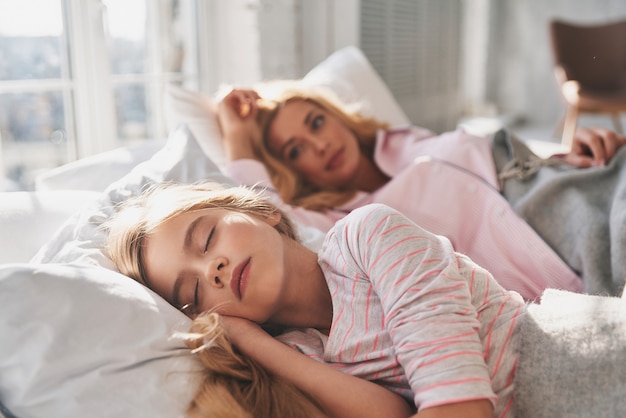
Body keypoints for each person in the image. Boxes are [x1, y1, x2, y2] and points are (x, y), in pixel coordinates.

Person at [104, 182, 626, 418]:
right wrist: (254, 344)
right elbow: (388, 414)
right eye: (193, 292)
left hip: (573, 361)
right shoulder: (303, 355)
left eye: (207, 238)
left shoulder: (367, 237)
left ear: (257, 209)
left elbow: (460, 405)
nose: (211, 269)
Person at [215, 82, 626, 299]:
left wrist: (572, 151)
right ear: (292, 172)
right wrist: (236, 132)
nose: (319, 144)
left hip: (569, 181)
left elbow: (497, 164)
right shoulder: (340, 224)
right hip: (559, 238)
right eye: (296, 150)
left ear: (335, 116)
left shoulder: (401, 141)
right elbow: (260, 210)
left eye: (316, 123)